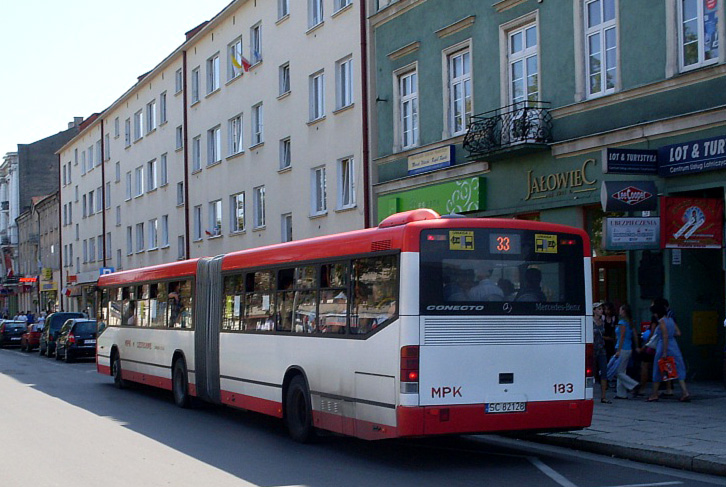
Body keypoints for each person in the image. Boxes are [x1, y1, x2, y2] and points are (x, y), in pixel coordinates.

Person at [647, 302, 690, 402]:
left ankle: (654, 394)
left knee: (658, 369)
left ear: (657, 313)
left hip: (663, 346)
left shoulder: (661, 321)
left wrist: (665, 352)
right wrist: (671, 335)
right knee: (679, 367)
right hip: (674, 345)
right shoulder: (670, 320)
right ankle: (685, 391)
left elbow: (665, 335)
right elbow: (678, 333)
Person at [613, 304, 640, 399]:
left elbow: (622, 336)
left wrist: (618, 350)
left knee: (617, 371)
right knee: (622, 371)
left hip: (622, 348)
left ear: (623, 311)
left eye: (620, 310)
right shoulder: (630, 322)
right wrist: (636, 346)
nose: (619, 311)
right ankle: (621, 393)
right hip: (628, 347)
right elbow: (635, 335)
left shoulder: (622, 323)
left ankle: (633, 384)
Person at [592, 302, 610, 403]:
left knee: (604, 371)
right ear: (594, 310)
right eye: (598, 309)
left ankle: (603, 396)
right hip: (593, 348)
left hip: (601, 348)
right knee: (591, 371)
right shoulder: (591, 321)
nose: (601, 311)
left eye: (601, 309)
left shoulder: (602, 320)